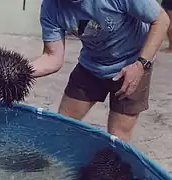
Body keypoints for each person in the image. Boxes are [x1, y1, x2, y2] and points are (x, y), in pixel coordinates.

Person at [32, 0, 169, 142]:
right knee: (62, 124)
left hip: (133, 63)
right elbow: (52, 57)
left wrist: (140, 65)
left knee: (118, 137)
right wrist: (21, 71)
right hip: (91, 64)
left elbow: (161, 20)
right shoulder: (51, 6)